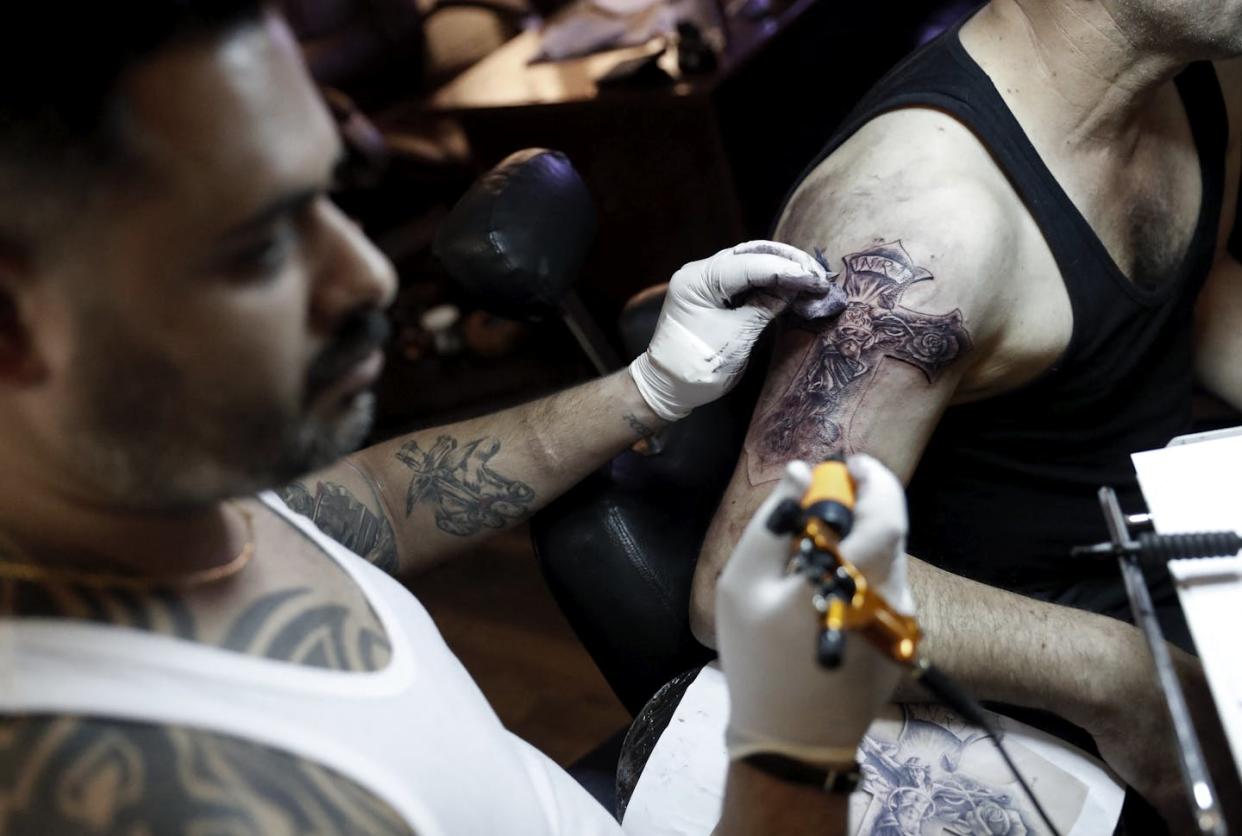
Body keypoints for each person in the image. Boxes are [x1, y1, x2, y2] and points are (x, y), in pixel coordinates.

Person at [0, 2, 911, 833]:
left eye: (331, 195)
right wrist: (795, 744)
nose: (367, 275)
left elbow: (367, 503)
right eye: (262, 246)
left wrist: (652, 389)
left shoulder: (155, 486)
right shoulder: (163, 797)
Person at [689, 0, 1242, 827]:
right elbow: (761, 576)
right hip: (1025, 673)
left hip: (1165, 552)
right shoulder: (929, 219)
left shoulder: (1193, 85)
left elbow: (1184, 305)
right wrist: (1120, 678)